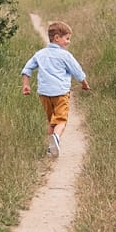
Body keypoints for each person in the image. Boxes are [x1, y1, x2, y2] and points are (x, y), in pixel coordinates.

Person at [21, 20, 90, 156]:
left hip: (44, 94)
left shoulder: (40, 54)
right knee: (61, 121)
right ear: (57, 38)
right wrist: (84, 84)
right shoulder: (65, 55)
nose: (68, 42)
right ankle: (56, 138)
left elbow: (27, 69)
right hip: (60, 93)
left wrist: (26, 85)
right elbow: (77, 71)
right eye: (67, 38)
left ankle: (50, 148)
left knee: (52, 121)